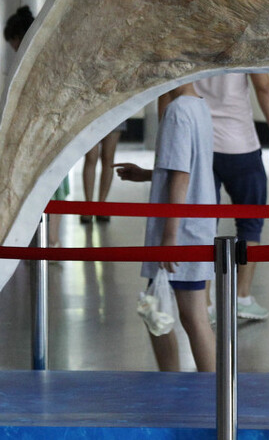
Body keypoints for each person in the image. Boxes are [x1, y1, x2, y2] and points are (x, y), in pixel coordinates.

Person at [114, 83, 216, 372]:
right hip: (194, 223)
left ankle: (183, 385)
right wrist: (149, 175)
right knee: (185, 315)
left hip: (181, 229)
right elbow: (183, 167)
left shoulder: (177, 110)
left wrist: (169, 238)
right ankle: (209, 390)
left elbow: (182, 175)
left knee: (170, 314)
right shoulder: (198, 106)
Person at [194, 72, 269, 321]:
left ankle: (204, 303)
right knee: (250, 223)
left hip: (200, 143)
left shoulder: (188, 40)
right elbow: (264, 87)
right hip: (240, 145)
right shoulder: (242, 39)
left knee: (203, 224)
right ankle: (242, 297)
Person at [3, 6, 66, 250]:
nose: (13, 48)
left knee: (37, 187)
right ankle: (52, 239)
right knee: (56, 186)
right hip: (57, 130)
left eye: (12, 43)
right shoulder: (52, 48)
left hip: (36, 132)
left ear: (18, 37)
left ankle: (41, 240)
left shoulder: (28, 58)